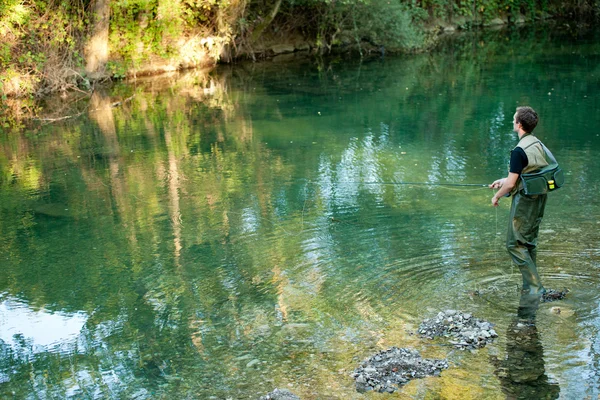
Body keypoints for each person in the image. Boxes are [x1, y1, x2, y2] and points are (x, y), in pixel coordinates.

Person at [490, 106, 550, 295]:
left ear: (519, 124)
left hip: (525, 201)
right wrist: (503, 181)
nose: (513, 122)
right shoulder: (536, 143)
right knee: (529, 242)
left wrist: (497, 195)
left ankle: (535, 287)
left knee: (514, 244)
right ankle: (529, 285)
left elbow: (510, 186)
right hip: (540, 196)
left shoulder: (518, 150)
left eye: (514, 119)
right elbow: (527, 173)